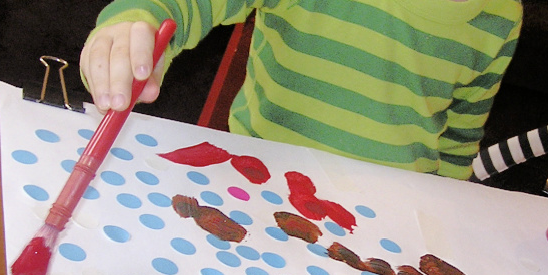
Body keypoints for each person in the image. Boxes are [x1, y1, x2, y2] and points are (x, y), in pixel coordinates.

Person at [81, 0, 522, 179]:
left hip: (389, 226)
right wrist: (135, 22)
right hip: (257, 185)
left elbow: (460, 145)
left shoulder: (501, 16)